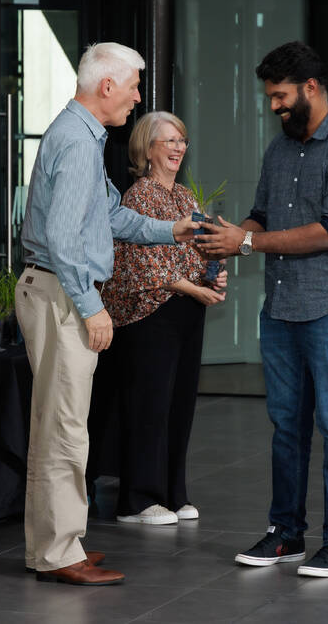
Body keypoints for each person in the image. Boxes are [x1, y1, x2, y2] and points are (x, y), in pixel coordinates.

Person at [16, 43, 198, 586]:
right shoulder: (76, 141)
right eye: (135, 86)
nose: (138, 98)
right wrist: (93, 308)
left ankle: (56, 543)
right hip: (62, 293)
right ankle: (56, 553)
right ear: (107, 87)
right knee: (65, 429)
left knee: (62, 426)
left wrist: (174, 230)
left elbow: (113, 216)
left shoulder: (86, 137)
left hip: (58, 290)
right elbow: (64, 240)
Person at [196, 41, 328, 578]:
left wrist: (248, 245)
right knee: (286, 429)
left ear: (311, 88)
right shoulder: (279, 150)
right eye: (270, 97)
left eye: (280, 96)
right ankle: (286, 534)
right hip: (281, 309)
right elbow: (260, 216)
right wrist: (228, 236)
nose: (274, 106)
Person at [93, 111, 227, 526]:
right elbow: (137, 265)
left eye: (181, 141)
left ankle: (173, 493)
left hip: (186, 313)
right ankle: (137, 501)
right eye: (168, 141)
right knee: (149, 408)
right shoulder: (137, 196)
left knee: (180, 405)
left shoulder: (186, 198)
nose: (177, 148)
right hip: (150, 315)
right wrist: (193, 287)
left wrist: (216, 274)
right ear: (146, 149)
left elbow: (202, 251)